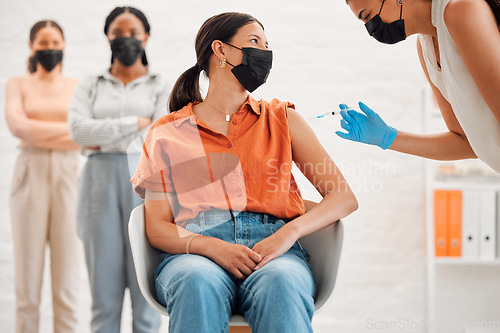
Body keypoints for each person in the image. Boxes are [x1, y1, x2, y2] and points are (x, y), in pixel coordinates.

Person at [130, 12, 358, 333]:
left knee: (282, 284)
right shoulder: (167, 132)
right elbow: (156, 227)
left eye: (267, 45)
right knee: (196, 281)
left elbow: (343, 197)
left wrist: (287, 234)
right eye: (254, 42)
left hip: (274, 254)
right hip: (198, 252)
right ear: (220, 50)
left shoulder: (283, 119)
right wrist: (210, 246)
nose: (264, 53)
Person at [68, 6, 168, 333]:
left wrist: (103, 134)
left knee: (147, 294)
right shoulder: (90, 84)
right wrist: (134, 123)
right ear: (107, 37)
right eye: (118, 34)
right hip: (98, 186)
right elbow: (78, 132)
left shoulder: (161, 85)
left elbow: (159, 136)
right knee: (104, 295)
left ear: (146, 37)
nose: (125, 40)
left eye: (133, 33)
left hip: (147, 183)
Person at [336, 0, 500, 173]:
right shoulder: (425, 47)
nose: (371, 29)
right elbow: (466, 142)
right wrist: (388, 138)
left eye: (368, 16)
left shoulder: (461, 10)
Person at [5, 20, 83, 332]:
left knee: (66, 282)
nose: (49, 48)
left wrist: (37, 131)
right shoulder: (17, 84)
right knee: (27, 282)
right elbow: (18, 128)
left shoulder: (77, 86)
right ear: (31, 46)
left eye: (54, 42)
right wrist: (69, 132)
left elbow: (84, 135)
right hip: (30, 173)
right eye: (42, 42)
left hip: (68, 174)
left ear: (63, 46)